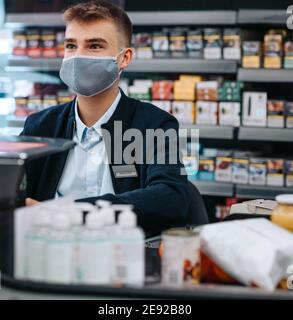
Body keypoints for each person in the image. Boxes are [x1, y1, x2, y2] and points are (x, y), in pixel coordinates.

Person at [20, 0, 189, 235]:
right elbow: (11, 192)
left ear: (124, 58)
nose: (78, 56)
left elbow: (173, 197)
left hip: (123, 255)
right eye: (71, 46)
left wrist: (70, 214)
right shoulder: (41, 125)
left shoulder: (154, 125)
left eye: (94, 46)